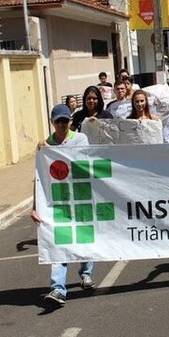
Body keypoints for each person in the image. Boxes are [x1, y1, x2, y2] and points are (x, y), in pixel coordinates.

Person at [30, 104, 96, 306]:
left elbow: (83, 162)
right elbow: (39, 178)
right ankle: (58, 289)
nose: (61, 124)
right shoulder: (45, 146)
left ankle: (86, 273)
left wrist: (54, 152)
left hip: (81, 195)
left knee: (84, 238)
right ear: (52, 122)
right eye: (58, 121)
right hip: (58, 201)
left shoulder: (80, 139)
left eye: (65, 121)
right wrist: (34, 206)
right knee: (59, 242)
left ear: (70, 121)